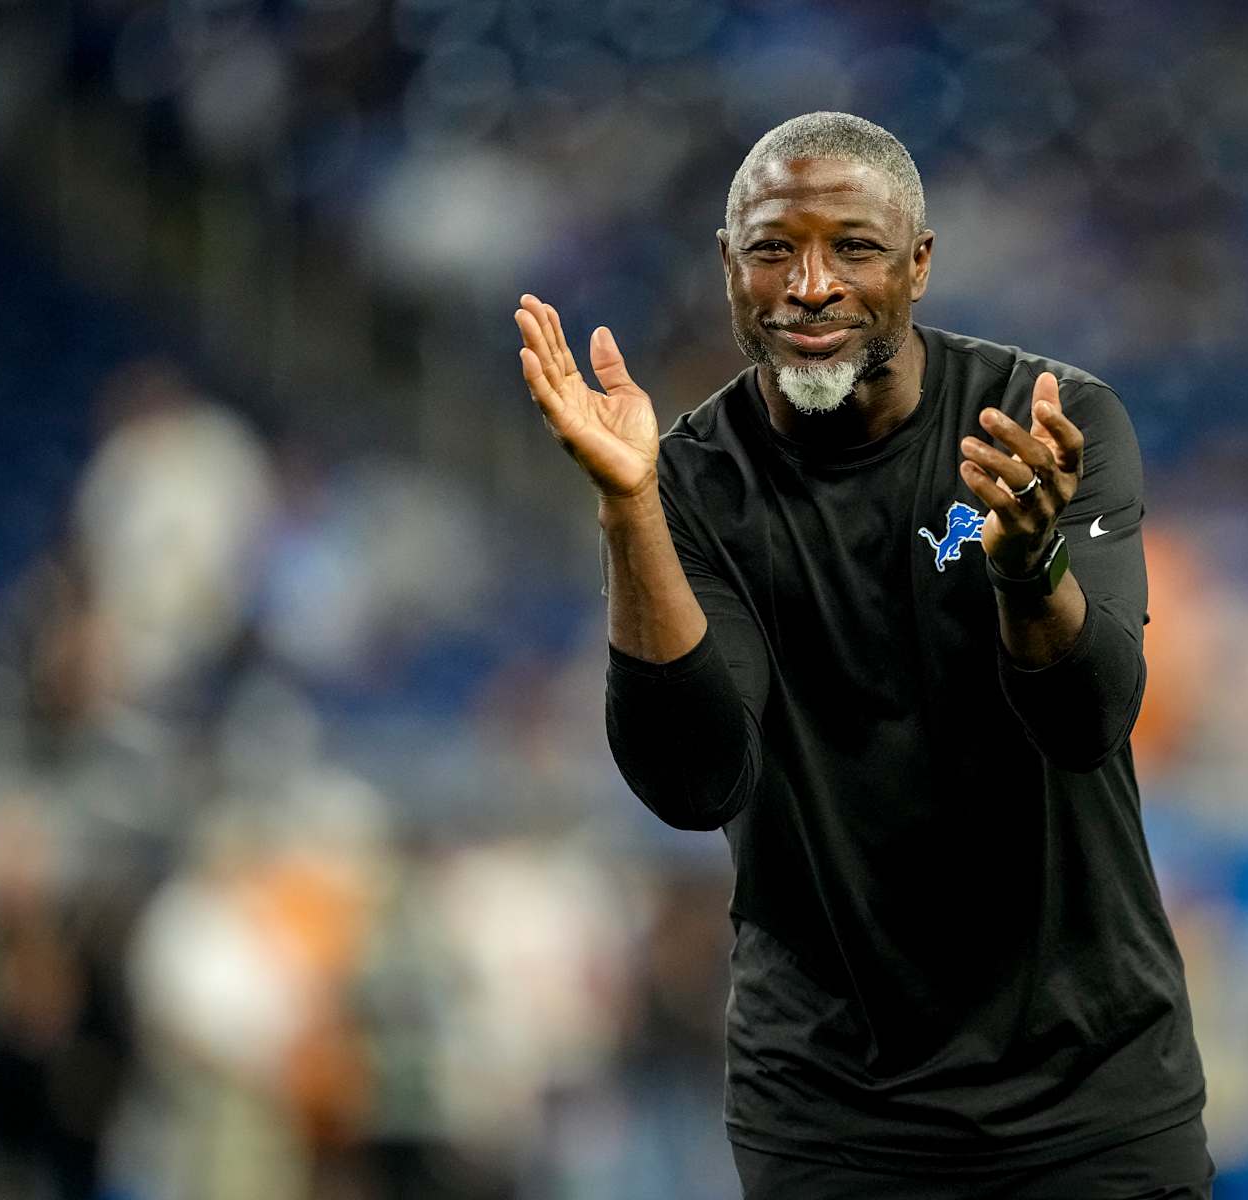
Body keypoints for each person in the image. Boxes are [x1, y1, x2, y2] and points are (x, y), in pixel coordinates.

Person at [515, 112, 1209, 1199]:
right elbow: (692, 781)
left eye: (854, 247)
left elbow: (1087, 720)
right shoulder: (688, 484)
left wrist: (1026, 571)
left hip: (1088, 1094)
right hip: (833, 1112)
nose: (811, 285)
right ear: (728, 265)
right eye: (774, 249)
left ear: (919, 263)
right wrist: (627, 507)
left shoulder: (1049, 421)